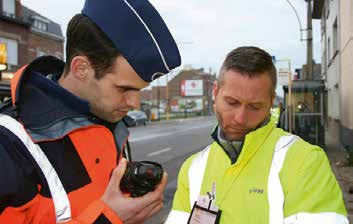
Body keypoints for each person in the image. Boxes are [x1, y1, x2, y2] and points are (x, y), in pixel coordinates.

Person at [0, 0, 181, 223]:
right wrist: (108, 219)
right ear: (81, 68)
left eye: (140, 90)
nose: (134, 103)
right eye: (124, 88)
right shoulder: (8, 144)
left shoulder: (113, 123)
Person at [165, 47, 348, 224]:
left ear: (271, 102)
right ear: (215, 92)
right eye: (232, 102)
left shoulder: (306, 161)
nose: (240, 118)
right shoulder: (193, 168)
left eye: (255, 107)